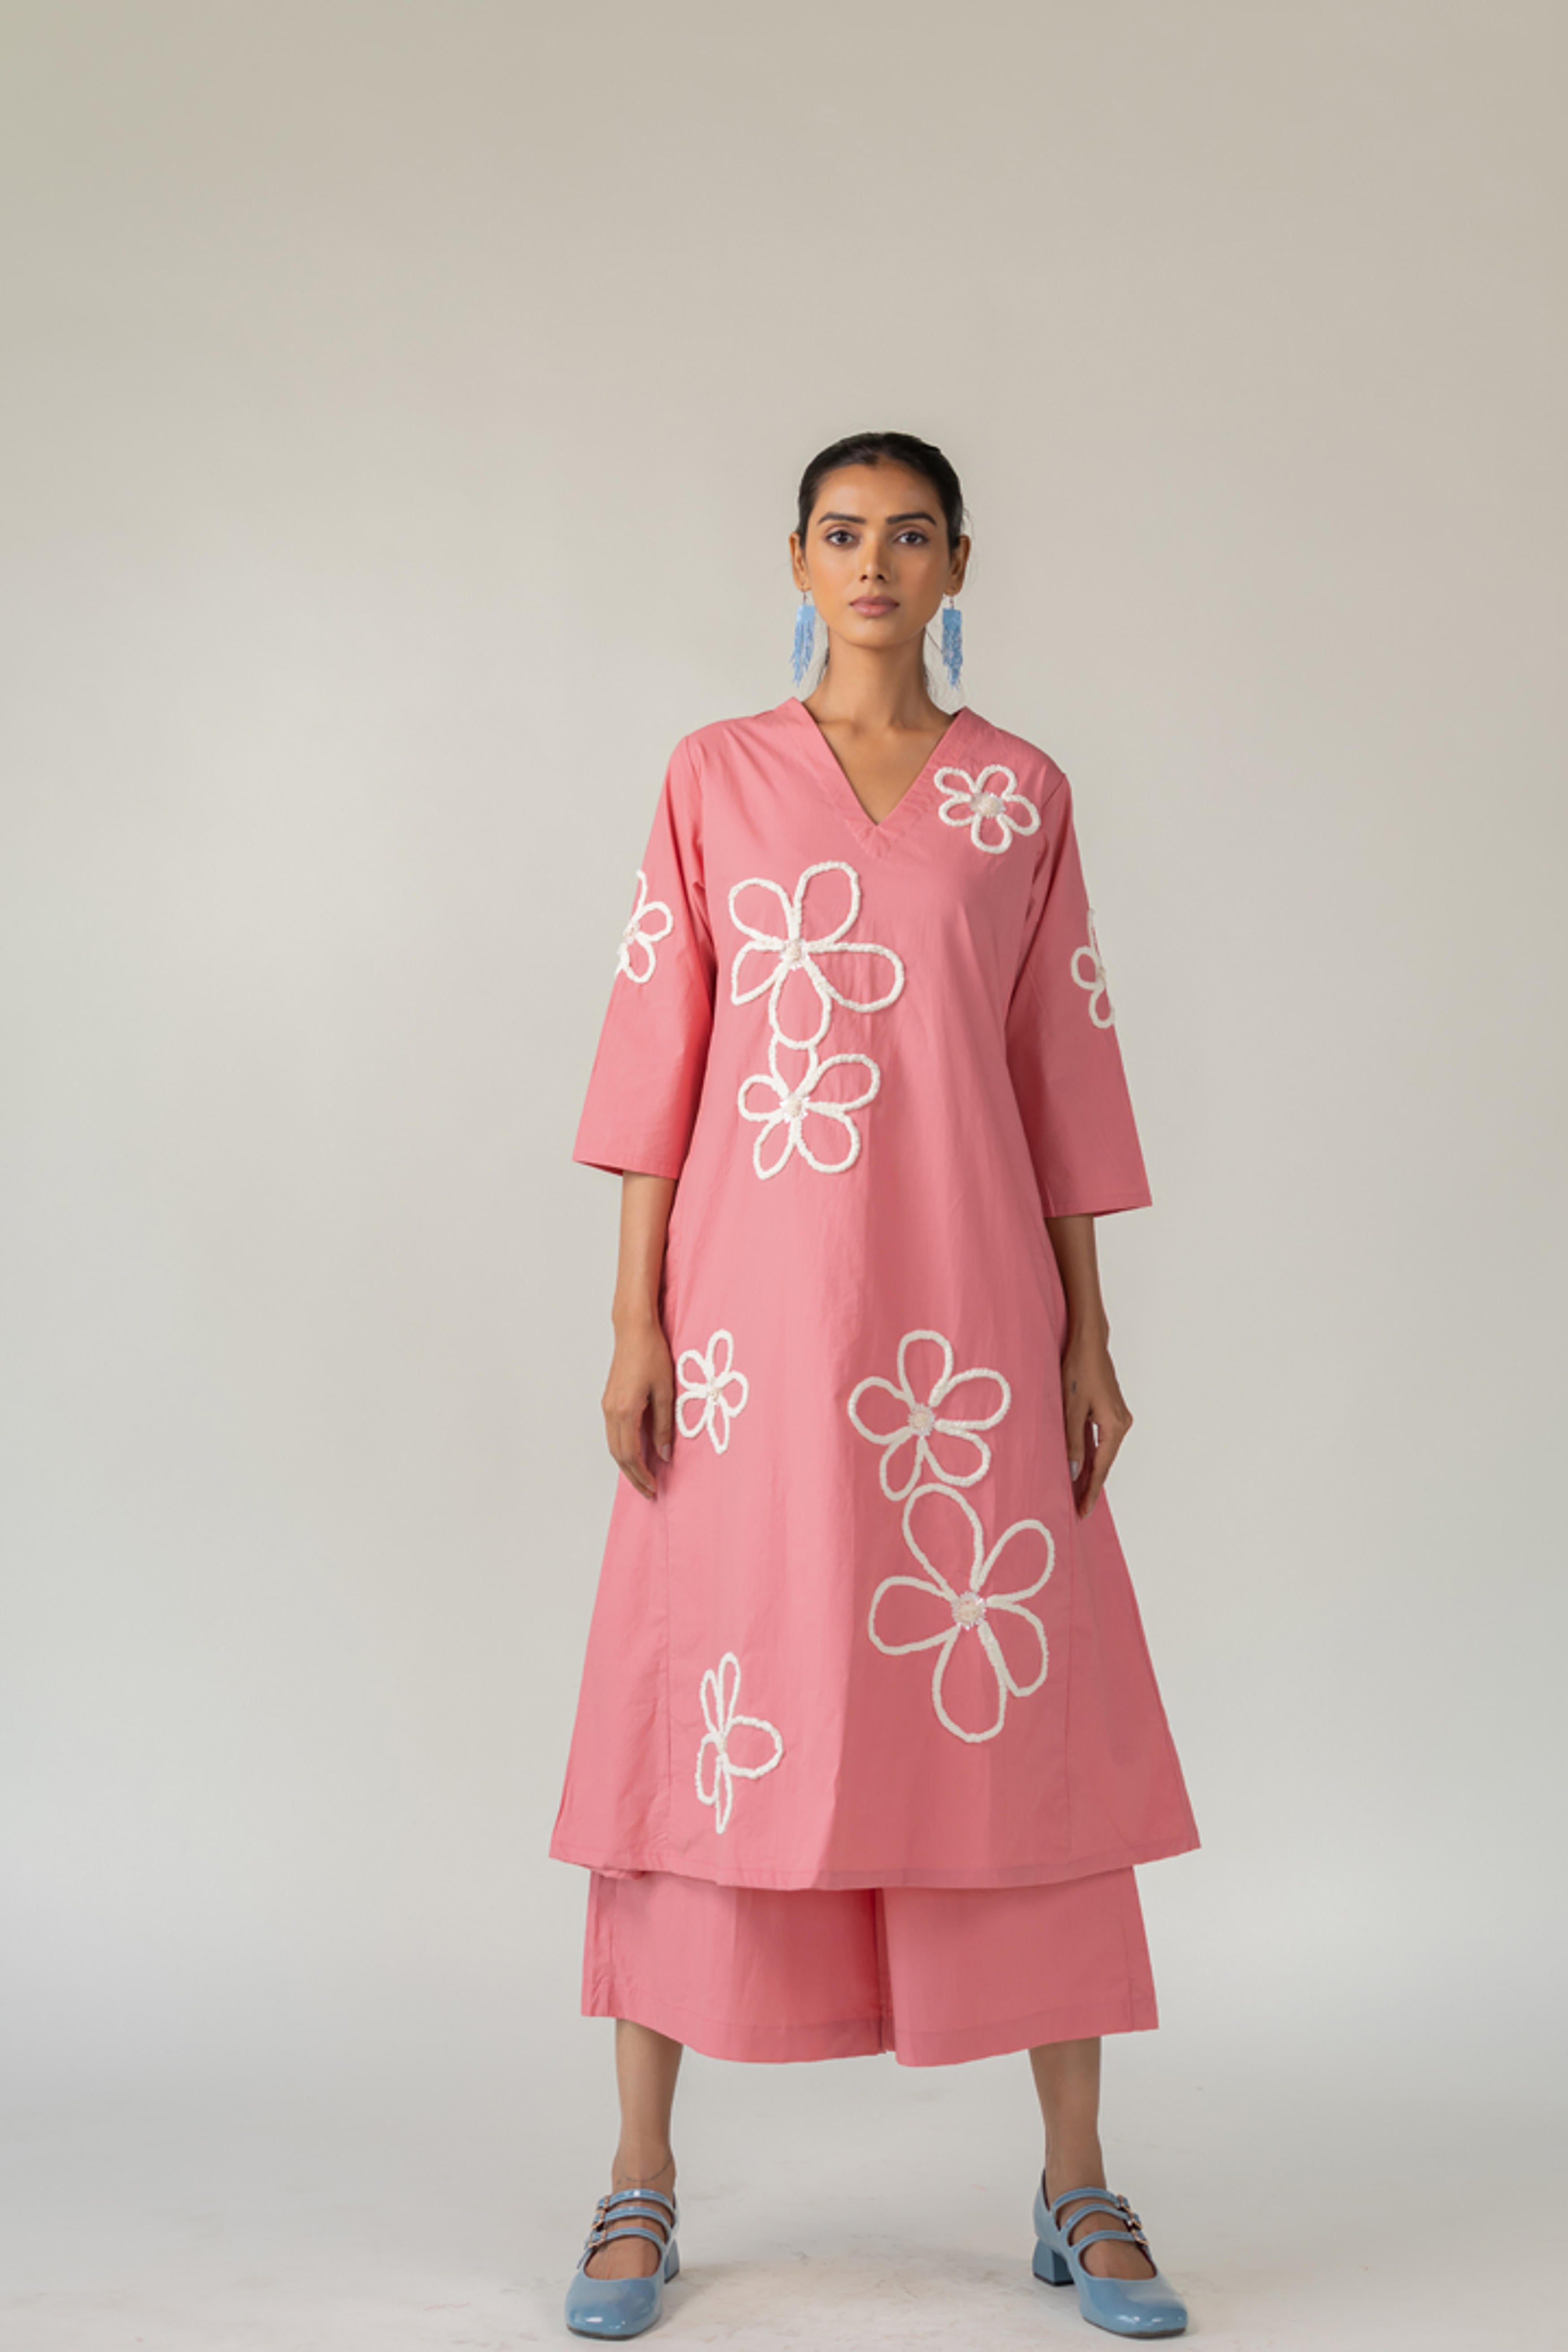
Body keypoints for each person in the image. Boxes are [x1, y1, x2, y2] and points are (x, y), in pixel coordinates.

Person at [552, 431, 1199, 2339]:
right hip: (749, 1328)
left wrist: (1086, 1331)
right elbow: (655, 1058)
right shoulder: (713, 778)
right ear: (796, 558)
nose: (874, 564)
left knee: (1017, 1704)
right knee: (710, 1690)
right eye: (843, 533)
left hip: (965, 1333)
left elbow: (1058, 1076)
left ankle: (1076, 2176)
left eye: (908, 536)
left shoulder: (1018, 798)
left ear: (955, 565)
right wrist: (633, 1320)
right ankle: (639, 2176)